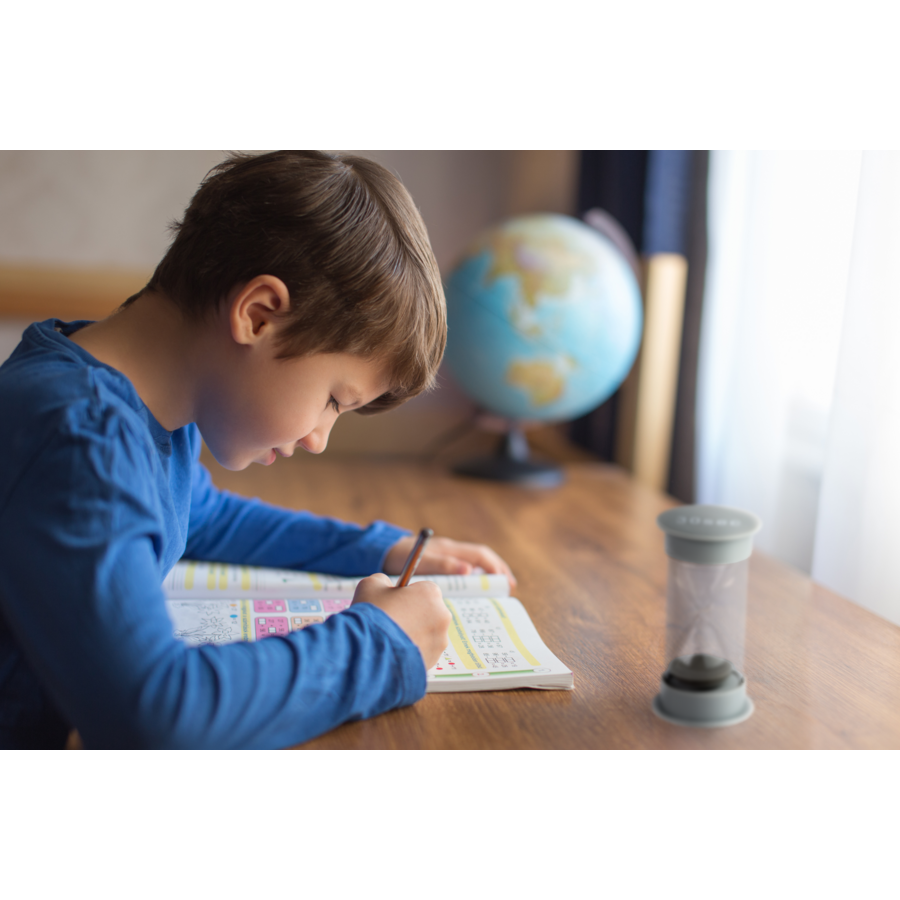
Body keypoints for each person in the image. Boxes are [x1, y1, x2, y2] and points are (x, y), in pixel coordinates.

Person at [0, 150, 515, 750]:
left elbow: (201, 516)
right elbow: (155, 718)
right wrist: (379, 644)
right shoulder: (78, 438)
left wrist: (380, 549)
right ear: (260, 314)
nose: (321, 438)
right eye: (332, 400)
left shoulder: (138, 405)